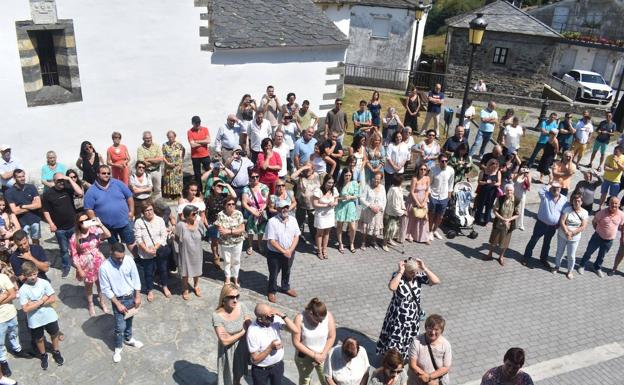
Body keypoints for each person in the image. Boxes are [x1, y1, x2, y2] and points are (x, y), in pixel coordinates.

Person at [377, 258, 440, 360]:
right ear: (406, 271)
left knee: (409, 340)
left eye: (415, 272)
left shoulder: (418, 277)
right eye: (411, 273)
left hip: (412, 318)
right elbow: (392, 287)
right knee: (395, 340)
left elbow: (436, 281)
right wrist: (400, 271)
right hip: (397, 318)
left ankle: (404, 357)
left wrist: (424, 268)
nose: (414, 275)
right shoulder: (398, 276)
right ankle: (392, 360)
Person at [98, 243, 143, 363]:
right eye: (118, 258)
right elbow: (106, 289)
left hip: (131, 296)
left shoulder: (128, 260)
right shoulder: (104, 268)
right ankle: (118, 347)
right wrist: (117, 304)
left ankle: (128, 338)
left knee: (129, 320)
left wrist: (138, 295)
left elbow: (136, 278)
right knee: (119, 326)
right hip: (118, 299)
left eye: (122, 257)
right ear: (111, 253)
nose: (121, 260)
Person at [18, 261, 64, 370]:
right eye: (29, 275)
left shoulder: (44, 283)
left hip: (49, 315)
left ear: (37, 271)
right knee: (39, 339)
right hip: (35, 319)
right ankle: (43, 355)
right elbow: (25, 308)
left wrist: (33, 303)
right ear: (24, 276)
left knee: (54, 334)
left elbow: (52, 298)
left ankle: (56, 351)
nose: (33, 277)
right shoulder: (23, 289)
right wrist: (42, 300)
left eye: (34, 274)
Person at [69, 213, 111, 316]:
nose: (85, 223)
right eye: (82, 221)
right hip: (86, 263)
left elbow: (108, 235)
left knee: (100, 284)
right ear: (78, 224)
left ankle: (102, 301)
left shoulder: (94, 231)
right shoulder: (75, 237)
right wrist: (79, 269)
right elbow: (74, 255)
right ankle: (91, 304)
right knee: (89, 285)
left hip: (98, 260)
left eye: (86, 220)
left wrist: (99, 224)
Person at [42, 172, 82, 278]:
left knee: (77, 246)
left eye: (62, 180)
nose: (61, 182)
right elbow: (45, 211)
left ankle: (80, 263)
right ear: (54, 182)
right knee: (64, 249)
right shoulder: (47, 194)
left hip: (73, 225)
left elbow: (80, 192)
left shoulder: (68, 188)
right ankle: (66, 266)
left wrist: (69, 179)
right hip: (59, 228)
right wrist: (51, 224)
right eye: (58, 180)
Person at [84, 165, 135, 247]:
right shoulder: (91, 191)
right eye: (103, 173)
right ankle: (116, 259)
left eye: (108, 173)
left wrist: (131, 212)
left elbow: (129, 196)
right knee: (115, 247)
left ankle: (137, 259)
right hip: (107, 227)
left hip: (125, 222)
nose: (106, 175)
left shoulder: (118, 183)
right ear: (98, 174)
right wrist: (97, 224)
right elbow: (88, 209)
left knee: (131, 243)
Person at [246, 303, 298, 384]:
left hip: (277, 366)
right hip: (261, 370)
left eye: (272, 313)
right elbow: (255, 359)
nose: (272, 317)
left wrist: (283, 315)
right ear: (260, 318)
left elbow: (295, 330)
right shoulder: (252, 332)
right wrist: (270, 347)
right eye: (269, 316)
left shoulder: (274, 319)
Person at [212, 283, 252, 385]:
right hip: (228, 351)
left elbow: (249, 323)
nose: (235, 300)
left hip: (242, 347)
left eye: (237, 296)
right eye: (231, 297)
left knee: (238, 375)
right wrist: (243, 331)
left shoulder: (241, 306)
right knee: (228, 377)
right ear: (224, 298)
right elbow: (225, 341)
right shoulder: (217, 315)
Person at [521, 182, 567, 269]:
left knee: (547, 243)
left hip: (552, 227)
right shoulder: (545, 195)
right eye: (553, 188)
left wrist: (559, 223)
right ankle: (526, 258)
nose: (555, 189)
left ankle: (543, 259)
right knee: (534, 240)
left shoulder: (564, 199)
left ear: (561, 189)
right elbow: (540, 190)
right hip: (541, 224)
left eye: (557, 188)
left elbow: (563, 212)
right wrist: (550, 185)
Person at [292, 298, 336, 385]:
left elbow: (332, 336)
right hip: (304, 356)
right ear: (311, 313)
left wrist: (323, 354)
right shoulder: (299, 318)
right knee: (305, 379)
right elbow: (296, 342)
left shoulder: (328, 316)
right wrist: (314, 355)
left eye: (322, 320)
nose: (321, 322)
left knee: (325, 379)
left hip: (322, 355)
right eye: (318, 320)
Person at [577, 196, 624, 277]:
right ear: (608, 204)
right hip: (597, 237)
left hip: (609, 240)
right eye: (612, 203)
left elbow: (621, 226)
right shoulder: (602, 212)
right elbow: (594, 221)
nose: (614, 205)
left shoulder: (621, 215)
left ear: (619, 204)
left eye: (616, 203)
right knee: (589, 252)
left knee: (602, 256)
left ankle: (597, 267)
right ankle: (581, 265)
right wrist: (598, 230)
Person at [134, 202, 172, 301]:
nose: (149, 212)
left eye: (151, 210)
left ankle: (164, 286)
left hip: (159, 249)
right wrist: (147, 249)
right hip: (146, 252)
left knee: (163, 269)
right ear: (143, 212)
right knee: (148, 272)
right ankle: (149, 289)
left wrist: (156, 247)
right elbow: (138, 238)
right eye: (146, 210)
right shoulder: (139, 222)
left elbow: (163, 235)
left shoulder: (159, 220)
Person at [264, 201, 300, 303]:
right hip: (275, 254)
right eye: (282, 207)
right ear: (278, 209)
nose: (285, 209)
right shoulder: (272, 222)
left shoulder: (293, 220)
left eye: (286, 207)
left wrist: (290, 250)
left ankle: (285, 287)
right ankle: (272, 291)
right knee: (274, 273)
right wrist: (284, 251)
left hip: (290, 252)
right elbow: (271, 240)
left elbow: (296, 236)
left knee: (287, 270)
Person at [408, 314, 452, 385]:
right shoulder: (416, 341)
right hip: (417, 382)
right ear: (426, 328)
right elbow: (413, 365)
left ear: (441, 330)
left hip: (437, 382)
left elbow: (446, 367)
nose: (433, 332)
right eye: (430, 328)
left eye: (436, 329)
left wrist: (429, 377)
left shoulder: (446, 345)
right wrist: (426, 378)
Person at [554, 193, 588, 279]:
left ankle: (570, 271)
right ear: (572, 201)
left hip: (574, 238)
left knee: (571, 256)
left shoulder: (584, 212)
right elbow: (562, 221)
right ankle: (556, 267)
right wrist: (566, 232)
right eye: (575, 200)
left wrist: (572, 233)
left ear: (581, 202)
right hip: (562, 235)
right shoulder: (567, 209)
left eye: (578, 201)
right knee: (559, 252)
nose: (576, 202)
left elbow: (583, 226)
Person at [175, 205, 206, 300]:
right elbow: (176, 238)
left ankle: (196, 286)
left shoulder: (199, 223)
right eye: (193, 213)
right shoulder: (180, 225)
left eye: (196, 213)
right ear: (187, 215)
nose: (196, 215)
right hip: (185, 252)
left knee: (197, 270)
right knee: (185, 272)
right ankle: (185, 288)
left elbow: (204, 234)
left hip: (197, 252)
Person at [0, 270, 26, 379]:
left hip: (10, 313)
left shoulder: (3, 277)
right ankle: (3, 360)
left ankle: (17, 349)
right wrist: (5, 294)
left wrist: (3, 297)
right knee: (0, 342)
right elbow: (9, 294)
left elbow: (13, 294)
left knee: (13, 333)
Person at [215, 197, 246, 287]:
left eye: (233, 204)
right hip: (225, 243)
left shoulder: (239, 214)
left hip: (238, 241)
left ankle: (236, 278)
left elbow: (242, 229)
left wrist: (229, 231)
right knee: (227, 261)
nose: (231, 206)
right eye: (229, 204)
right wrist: (234, 230)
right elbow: (220, 230)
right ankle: (227, 277)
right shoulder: (221, 215)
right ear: (225, 206)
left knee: (236, 260)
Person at [205, 181, 236, 271]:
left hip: (224, 222)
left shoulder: (224, 196)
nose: (220, 188)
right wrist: (207, 225)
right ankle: (215, 256)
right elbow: (204, 213)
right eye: (218, 186)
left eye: (221, 187)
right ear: (213, 187)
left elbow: (234, 196)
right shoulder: (208, 198)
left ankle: (227, 257)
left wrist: (227, 185)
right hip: (213, 222)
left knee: (224, 241)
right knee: (215, 241)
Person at [5, 169, 41, 245]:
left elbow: (38, 205)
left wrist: (22, 206)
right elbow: (15, 211)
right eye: (19, 177)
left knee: (36, 241)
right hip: (22, 222)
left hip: (34, 219)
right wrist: (32, 205)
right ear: (14, 178)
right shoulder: (9, 192)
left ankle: (37, 254)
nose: (22, 178)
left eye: (23, 176)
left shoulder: (31, 187)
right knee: (24, 243)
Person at [486, 184, 519, 266]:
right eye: (507, 190)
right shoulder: (500, 199)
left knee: (505, 242)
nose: (509, 192)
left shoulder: (517, 200)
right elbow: (494, 211)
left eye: (511, 190)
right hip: (498, 223)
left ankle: (501, 257)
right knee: (493, 240)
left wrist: (508, 220)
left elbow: (517, 214)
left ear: (513, 191)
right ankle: (489, 254)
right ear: (505, 191)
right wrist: (502, 218)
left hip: (508, 224)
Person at [242, 170, 270, 256]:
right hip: (251, 211)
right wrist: (252, 211)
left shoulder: (264, 187)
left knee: (261, 230)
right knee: (250, 230)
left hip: (262, 211)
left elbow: (267, 201)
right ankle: (250, 245)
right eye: (253, 177)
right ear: (249, 178)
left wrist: (262, 209)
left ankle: (259, 244)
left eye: (257, 176)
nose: (255, 178)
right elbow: (244, 203)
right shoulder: (246, 188)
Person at [291, 163, 320, 243]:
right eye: (306, 169)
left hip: (312, 204)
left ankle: (314, 235)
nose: (307, 171)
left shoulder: (316, 176)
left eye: (309, 169)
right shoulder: (300, 177)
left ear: (313, 169)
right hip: (301, 203)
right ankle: (299, 236)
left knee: (313, 221)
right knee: (300, 220)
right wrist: (302, 168)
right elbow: (292, 177)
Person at [428, 155, 454, 241]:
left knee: (440, 216)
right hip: (434, 195)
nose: (444, 163)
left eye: (446, 161)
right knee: (432, 214)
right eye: (442, 161)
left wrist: (449, 193)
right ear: (439, 162)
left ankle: (435, 230)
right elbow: (429, 182)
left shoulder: (451, 170)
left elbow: (451, 183)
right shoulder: (433, 170)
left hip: (444, 196)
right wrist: (429, 193)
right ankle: (430, 231)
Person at [333, 168, 360, 254]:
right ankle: (340, 244)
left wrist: (350, 197)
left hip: (351, 206)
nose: (348, 177)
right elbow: (336, 197)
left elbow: (357, 195)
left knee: (352, 227)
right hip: (341, 206)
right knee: (340, 226)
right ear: (343, 175)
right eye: (346, 175)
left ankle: (351, 243)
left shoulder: (354, 183)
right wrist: (342, 198)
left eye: (349, 175)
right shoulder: (339, 184)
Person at [313, 174, 339, 260]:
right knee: (320, 233)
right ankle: (319, 250)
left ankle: (325, 250)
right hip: (320, 215)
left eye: (332, 183)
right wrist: (326, 205)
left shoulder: (334, 190)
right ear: (325, 182)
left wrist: (333, 204)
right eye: (329, 183)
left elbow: (336, 202)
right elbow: (315, 204)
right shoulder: (318, 190)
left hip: (330, 215)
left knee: (327, 233)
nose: (331, 184)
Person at [360, 172, 386, 250]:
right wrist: (370, 206)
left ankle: (374, 241)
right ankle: (363, 242)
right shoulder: (367, 187)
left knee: (376, 227)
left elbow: (384, 200)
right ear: (372, 178)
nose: (376, 181)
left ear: (381, 180)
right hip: (368, 211)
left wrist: (380, 208)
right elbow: (362, 198)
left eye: (378, 179)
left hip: (378, 211)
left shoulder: (382, 187)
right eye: (375, 179)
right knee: (365, 228)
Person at [405, 165, 430, 245]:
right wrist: (417, 203)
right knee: (412, 218)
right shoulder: (414, 179)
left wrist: (424, 201)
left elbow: (427, 190)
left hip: (423, 200)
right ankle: (409, 235)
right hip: (414, 200)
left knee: (424, 219)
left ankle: (424, 237)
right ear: (418, 170)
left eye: (424, 169)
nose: (423, 171)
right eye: (421, 169)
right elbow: (412, 191)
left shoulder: (427, 178)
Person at [136, 131, 164, 198]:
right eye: (146, 138)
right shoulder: (140, 149)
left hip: (157, 171)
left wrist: (148, 159)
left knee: (158, 190)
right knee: (147, 189)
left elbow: (160, 159)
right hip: (146, 172)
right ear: (143, 139)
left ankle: (158, 205)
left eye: (150, 137)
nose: (149, 139)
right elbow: (142, 163)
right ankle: (149, 206)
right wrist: (155, 159)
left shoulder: (157, 146)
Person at [474, 159, 502, 226]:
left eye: (495, 167)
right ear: (489, 165)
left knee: (489, 207)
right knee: (480, 206)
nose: (493, 169)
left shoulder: (498, 172)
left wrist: (494, 184)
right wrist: (486, 182)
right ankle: (477, 219)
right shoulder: (483, 171)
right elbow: (479, 182)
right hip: (483, 191)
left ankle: (486, 221)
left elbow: (499, 183)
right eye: (492, 167)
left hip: (492, 192)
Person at [188, 115, 211, 192]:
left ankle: (210, 188)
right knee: (197, 175)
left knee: (209, 171)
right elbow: (192, 145)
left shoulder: (205, 129)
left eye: (199, 122)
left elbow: (208, 141)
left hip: (205, 155)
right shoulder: (190, 132)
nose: (198, 124)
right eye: (196, 123)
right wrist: (203, 142)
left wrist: (197, 141)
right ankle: (200, 191)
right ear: (192, 123)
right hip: (195, 156)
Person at [382, 176, 406, 252]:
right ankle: (384, 244)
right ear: (400, 182)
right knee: (388, 229)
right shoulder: (394, 190)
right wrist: (402, 213)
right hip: (391, 213)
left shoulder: (399, 189)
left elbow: (401, 200)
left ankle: (390, 239)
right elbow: (395, 205)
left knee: (394, 228)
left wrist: (403, 207)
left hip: (396, 213)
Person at [161, 130, 185, 199]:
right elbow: (162, 156)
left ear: (175, 136)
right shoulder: (164, 145)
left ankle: (179, 194)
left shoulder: (179, 144)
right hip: (168, 166)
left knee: (178, 180)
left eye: (172, 137)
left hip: (177, 166)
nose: (170, 138)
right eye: (169, 137)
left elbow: (182, 154)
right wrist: (168, 163)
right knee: (169, 181)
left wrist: (180, 163)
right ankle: (169, 195)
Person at [513, 164, 531, 230]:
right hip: (514, 193)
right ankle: (512, 222)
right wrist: (519, 174)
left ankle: (520, 224)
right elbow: (514, 180)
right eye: (523, 167)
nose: (524, 169)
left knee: (521, 209)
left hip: (522, 194)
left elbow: (529, 186)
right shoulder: (516, 174)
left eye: (526, 168)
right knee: (513, 208)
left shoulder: (528, 175)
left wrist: (526, 176)